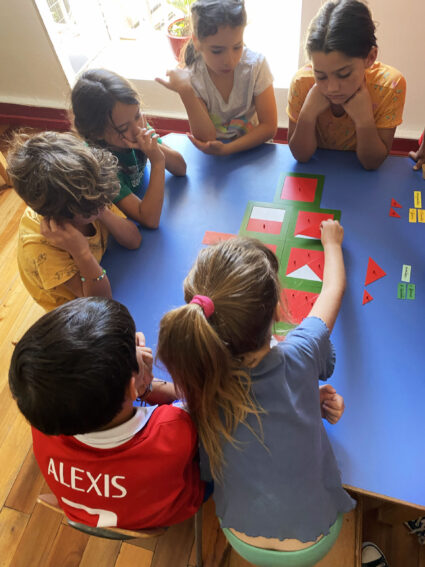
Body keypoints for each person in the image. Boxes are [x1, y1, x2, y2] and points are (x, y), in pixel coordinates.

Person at [157, 222, 355, 563]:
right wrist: (332, 242)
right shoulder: (301, 351)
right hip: (313, 541)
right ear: (278, 309)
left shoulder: (199, 377)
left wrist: (309, 399)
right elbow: (332, 290)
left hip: (238, 536)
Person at [8, 297, 206, 529]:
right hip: (174, 507)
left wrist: (134, 376)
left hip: (96, 512)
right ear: (132, 387)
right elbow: (196, 401)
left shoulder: (45, 419)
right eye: (134, 346)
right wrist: (146, 385)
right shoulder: (172, 427)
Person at [8, 131, 141, 311]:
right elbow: (100, 304)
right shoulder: (41, 247)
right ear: (59, 215)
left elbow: (134, 240)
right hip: (73, 308)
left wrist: (102, 211)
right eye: (94, 205)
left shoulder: (90, 193)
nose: (102, 202)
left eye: (101, 199)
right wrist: (82, 253)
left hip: (100, 273)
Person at [287, 0, 406, 170]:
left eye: (344, 74)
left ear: (370, 57)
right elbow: (301, 156)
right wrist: (307, 114)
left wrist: (364, 120)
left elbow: (372, 163)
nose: (332, 88)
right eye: (320, 76)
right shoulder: (302, 83)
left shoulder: (390, 86)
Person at [155, 0, 277, 156]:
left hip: (254, 150)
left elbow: (269, 127)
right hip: (214, 155)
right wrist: (185, 91)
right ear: (197, 42)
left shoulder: (256, 66)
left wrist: (227, 149)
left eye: (237, 47)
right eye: (217, 51)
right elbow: (207, 138)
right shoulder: (193, 76)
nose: (229, 60)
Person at [71, 68, 187, 227]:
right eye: (123, 128)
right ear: (96, 133)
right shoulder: (99, 166)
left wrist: (155, 151)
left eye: (138, 115)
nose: (138, 129)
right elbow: (149, 219)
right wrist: (158, 162)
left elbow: (181, 168)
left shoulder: (133, 125)